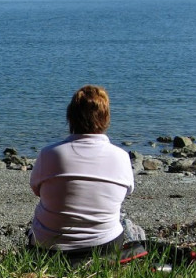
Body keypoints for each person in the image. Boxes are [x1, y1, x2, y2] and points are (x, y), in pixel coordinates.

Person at [29, 85, 137, 259]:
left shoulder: (49, 154)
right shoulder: (121, 157)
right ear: (106, 118)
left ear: (70, 116)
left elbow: (37, 190)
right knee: (126, 225)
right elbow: (125, 193)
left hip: (49, 249)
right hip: (103, 246)